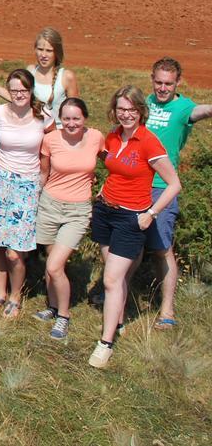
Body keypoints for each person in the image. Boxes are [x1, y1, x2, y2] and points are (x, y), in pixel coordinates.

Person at [88, 86, 181, 369]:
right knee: (116, 277)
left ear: (141, 111)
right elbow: (111, 165)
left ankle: (105, 344)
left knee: (111, 280)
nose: (126, 114)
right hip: (105, 211)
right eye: (121, 109)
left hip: (132, 217)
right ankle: (117, 322)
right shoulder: (114, 136)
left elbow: (174, 184)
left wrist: (151, 213)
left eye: (131, 110)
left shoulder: (149, 142)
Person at [138, 57, 211, 329]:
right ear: (152, 79)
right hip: (136, 184)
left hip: (162, 187)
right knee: (127, 244)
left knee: (161, 248)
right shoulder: (143, 102)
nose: (162, 88)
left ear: (178, 82)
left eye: (168, 83)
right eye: (158, 82)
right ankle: (114, 293)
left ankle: (167, 308)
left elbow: (202, 111)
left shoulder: (184, 108)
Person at [0, 69, 54, 318]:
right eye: (14, 90)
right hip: (1, 183)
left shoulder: (43, 115)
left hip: (28, 186)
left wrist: (44, 182)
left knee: (16, 250)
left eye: (23, 90)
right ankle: (1, 293)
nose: (18, 95)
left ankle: (16, 295)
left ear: (31, 90)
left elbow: (52, 147)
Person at [33, 97, 103, 339]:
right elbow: (44, 172)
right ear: (60, 119)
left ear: (85, 118)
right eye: (66, 118)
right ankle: (52, 306)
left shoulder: (95, 137)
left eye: (76, 118)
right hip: (49, 205)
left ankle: (64, 315)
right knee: (52, 263)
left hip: (78, 210)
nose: (71, 123)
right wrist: (34, 201)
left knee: (54, 265)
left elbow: (110, 162)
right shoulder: (50, 139)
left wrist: (106, 184)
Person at [0, 28, 81, 125]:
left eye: (49, 51)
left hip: (58, 136)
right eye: (40, 49)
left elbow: (76, 111)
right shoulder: (30, 71)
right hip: (34, 134)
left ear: (56, 52)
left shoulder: (67, 77)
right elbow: (13, 97)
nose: (43, 55)